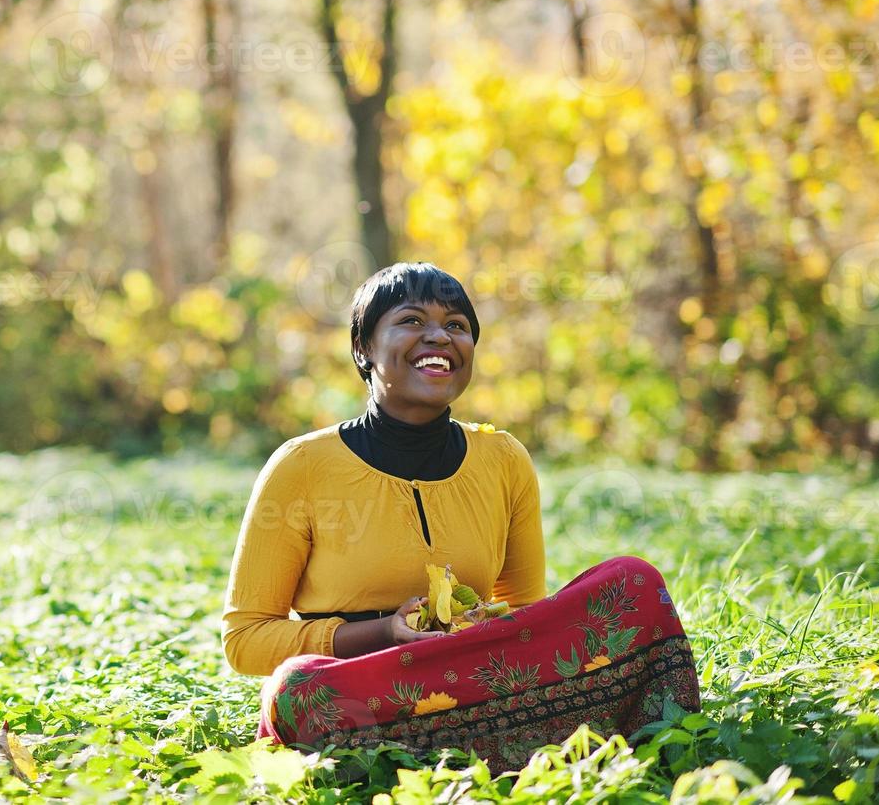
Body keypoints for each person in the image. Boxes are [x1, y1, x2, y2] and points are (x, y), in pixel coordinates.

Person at [220, 261, 700, 773]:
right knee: (298, 687)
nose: (438, 338)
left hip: (475, 674)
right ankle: (511, 743)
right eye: (411, 321)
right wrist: (386, 633)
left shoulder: (502, 457)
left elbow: (526, 613)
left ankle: (492, 741)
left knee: (633, 580)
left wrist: (479, 624)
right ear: (362, 348)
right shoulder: (302, 466)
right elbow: (245, 639)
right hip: (365, 687)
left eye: (456, 326)